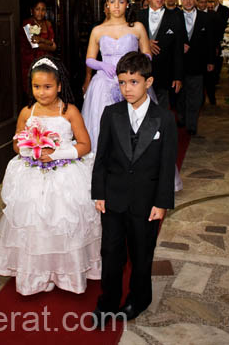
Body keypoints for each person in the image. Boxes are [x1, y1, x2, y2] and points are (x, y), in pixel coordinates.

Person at [0, 56, 100, 294]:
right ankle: (37, 273)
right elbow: (17, 142)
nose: (42, 92)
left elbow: (85, 145)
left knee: (62, 221)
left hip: (65, 173)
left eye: (48, 87)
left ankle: (65, 272)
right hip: (32, 175)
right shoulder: (27, 112)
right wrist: (27, 148)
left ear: (59, 85)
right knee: (35, 223)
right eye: (36, 87)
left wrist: (58, 152)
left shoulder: (69, 111)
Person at [91, 52, 177, 326]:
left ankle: (139, 299)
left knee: (142, 254)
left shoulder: (164, 118)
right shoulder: (111, 113)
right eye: (122, 82)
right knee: (111, 253)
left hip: (146, 201)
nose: (127, 88)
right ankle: (107, 302)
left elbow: (166, 165)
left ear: (148, 82)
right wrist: (99, 193)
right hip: (114, 198)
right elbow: (101, 157)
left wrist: (162, 202)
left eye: (134, 82)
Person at [82, 0, 151, 155]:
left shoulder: (137, 27)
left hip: (132, 80)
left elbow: (148, 56)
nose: (116, 6)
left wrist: (133, 66)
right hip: (104, 83)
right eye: (112, 2)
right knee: (103, 124)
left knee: (133, 123)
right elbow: (89, 59)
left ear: (127, 3)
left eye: (121, 2)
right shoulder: (98, 30)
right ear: (107, 4)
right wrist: (102, 65)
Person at [136, 0, 184, 110]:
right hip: (140, 73)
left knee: (161, 111)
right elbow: (129, 41)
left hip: (165, 74)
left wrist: (178, 77)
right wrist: (145, 43)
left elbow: (178, 50)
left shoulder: (175, 17)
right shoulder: (138, 16)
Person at [176, 0, 215, 135]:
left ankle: (192, 124)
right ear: (181, 0)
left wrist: (211, 61)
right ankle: (181, 117)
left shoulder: (205, 18)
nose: (188, 1)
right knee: (180, 95)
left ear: (195, 0)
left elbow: (210, 41)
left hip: (198, 63)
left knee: (196, 96)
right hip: (179, 64)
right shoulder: (174, 16)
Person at [20, 0, 56, 93]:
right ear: (32, 10)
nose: (40, 12)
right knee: (33, 90)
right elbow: (35, 45)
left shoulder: (48, 24)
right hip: (31, 63)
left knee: (47, 90)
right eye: (37, 9)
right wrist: (48, 43)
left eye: (43, 10)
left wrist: (41, 40)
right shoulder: (28, 24)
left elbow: (54, 47)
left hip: (47, 63)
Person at [205, 0, 229, 105]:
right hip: (206, 47)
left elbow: (220, 27)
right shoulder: (202, 15)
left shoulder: (221, 12)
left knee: (213, 71)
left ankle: (212, 95)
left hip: (215, 43)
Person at [83, 0, 110, 94]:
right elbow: (90, 55)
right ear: (103, 8)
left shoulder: (126, 27)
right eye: (107, 5)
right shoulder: (96, 28)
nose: (109, 8)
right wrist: (88, 77)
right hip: (99, 72)